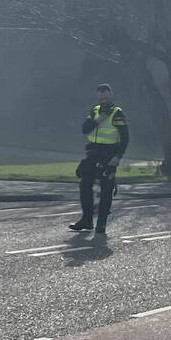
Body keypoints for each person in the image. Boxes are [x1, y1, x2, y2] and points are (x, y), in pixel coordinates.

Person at [69, 84, 129, 234]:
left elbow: (125, 138)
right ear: (97, 97)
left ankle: (101, 224)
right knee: (84, 184)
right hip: (93, 152)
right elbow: (85, 129)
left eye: (106, 97)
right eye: (101, 97)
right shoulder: (95, 110)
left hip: (109, 154)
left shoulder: (117, 113)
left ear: (111, 95)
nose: (104, 100)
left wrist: (118, 157)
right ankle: (87, 220)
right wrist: (99, 119)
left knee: (106, 190)